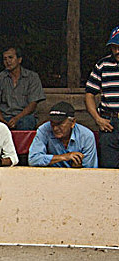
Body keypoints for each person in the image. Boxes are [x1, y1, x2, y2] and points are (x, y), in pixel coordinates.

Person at [0, 47, 45, 130]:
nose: (7, 61)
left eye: (10, 58)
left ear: (19, 60)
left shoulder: (32, 77)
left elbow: (33, 103)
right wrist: (2, 121)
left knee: (26, 123)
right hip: (4, 116)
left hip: (24, 116)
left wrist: (17, 118)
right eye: (5, 59)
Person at [85, 25, 119, 168]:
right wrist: (98, 119)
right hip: (109, 123)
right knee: (109, 169)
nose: (117, 51)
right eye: (113, 47)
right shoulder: (103, 64)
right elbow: (89, 94)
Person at [28, 102, 97, 168]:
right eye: (52, 123)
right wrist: (63, 157)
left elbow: (90, 168)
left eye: (59, 124)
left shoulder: (86, 135)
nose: (55, 128)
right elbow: (33, 159)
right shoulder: (44, 129)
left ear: (73, 122)